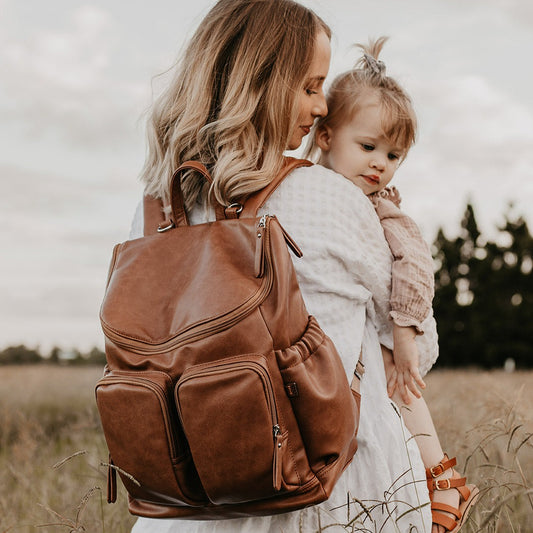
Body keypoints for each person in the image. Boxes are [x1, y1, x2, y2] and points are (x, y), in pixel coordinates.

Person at [127, 0, 440, 531]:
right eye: (311, 86)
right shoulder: (333, 197)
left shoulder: (158, 203)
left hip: (192, 492)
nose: (322, 107)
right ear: (262, 83)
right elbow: (413, 347)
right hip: (329, 490)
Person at [304, 37, 478, 533]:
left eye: (394, 155)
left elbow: (416, 266)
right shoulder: (311, 191)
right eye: (368, 148)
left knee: (399, 375)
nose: (380, 164)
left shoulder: (384, 209)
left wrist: (403, 330)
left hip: (384, 331)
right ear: (324, 137)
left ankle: (441, 476)